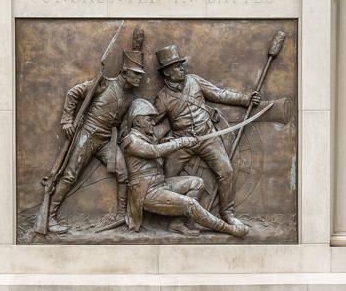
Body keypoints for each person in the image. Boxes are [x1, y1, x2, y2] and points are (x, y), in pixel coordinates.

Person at [151, 44, 260, 228]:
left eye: (181, 65)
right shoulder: (162, 98)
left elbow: (219, 94)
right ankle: (175, 219)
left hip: (207, 136)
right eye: (177, 67)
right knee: (164, 179)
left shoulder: (195, 81)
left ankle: (228, 213)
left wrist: (245, 99)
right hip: (182, 143)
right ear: (168, 72)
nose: (181, 69)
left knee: (226, 171)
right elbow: (151, 122)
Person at [46, 49, 145, 233]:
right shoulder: (104, 84)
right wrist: (67, 120)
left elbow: (122, 124)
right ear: (125, 72)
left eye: (141, 75)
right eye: (136, 74)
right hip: (87, 135)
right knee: (70, 175)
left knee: (123, 173)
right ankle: (49, 218)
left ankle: (120, 216)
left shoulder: (131, 98)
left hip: (106, 140)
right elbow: (74, 93)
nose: (140, 78)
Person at [120, 99, 248, 238]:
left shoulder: (147, 138)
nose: (153, 122)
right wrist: (182, 141)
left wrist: (168, 141)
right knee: (190, 204)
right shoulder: (131, 140)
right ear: (137, 121)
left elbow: (157, 146)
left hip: (160, 185)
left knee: (197, 183)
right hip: (146, 193)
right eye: (149, 119)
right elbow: (154, 151)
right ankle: (228, 228)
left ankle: (178, 223)